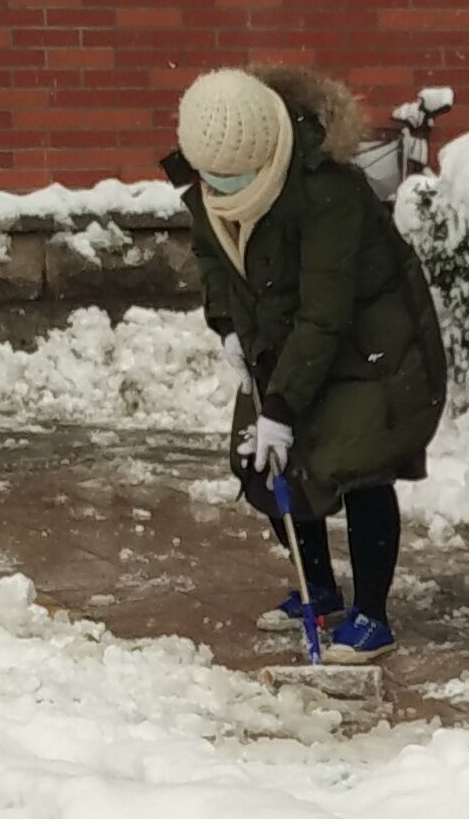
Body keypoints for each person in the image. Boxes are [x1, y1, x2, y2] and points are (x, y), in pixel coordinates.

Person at [165, 66, 450, 654]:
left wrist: (282, 404)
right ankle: (318, 590)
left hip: (369, 343)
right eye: (212, 175)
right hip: (282, 336)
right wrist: (228, 328)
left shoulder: (327, 189)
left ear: (265, 150)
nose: (221, 185)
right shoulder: (211, 185)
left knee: (359, 462)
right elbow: (212, 257)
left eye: (234, 174)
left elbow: (325, 311)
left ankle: (371, 615)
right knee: (266, 463)